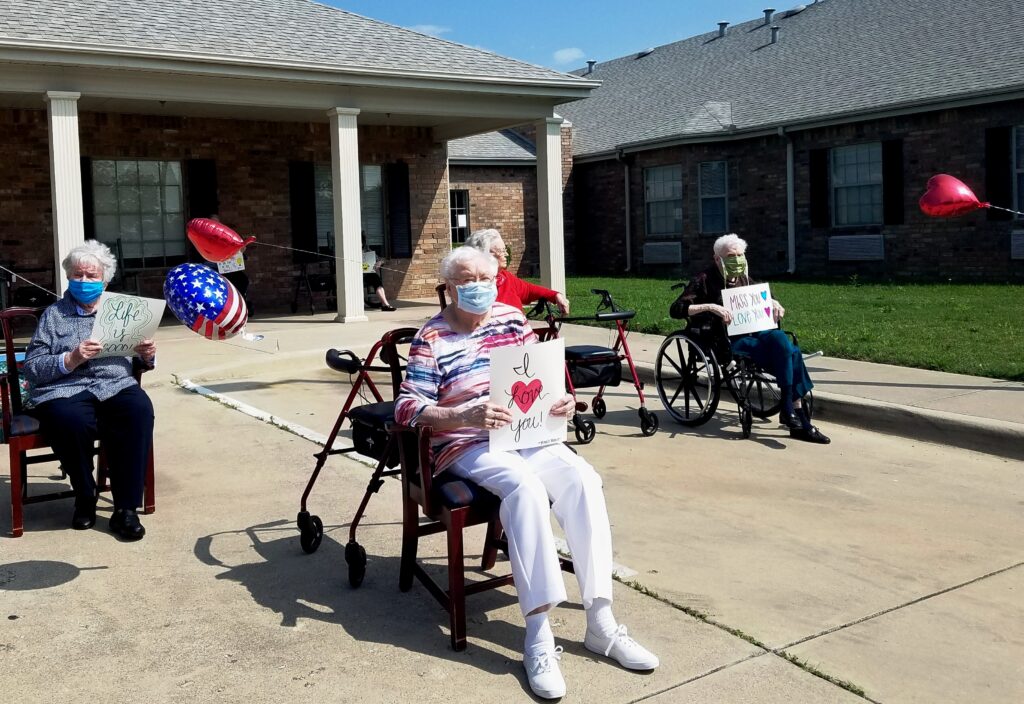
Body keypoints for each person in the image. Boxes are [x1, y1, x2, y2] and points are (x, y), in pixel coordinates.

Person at [394, 246, 658, 699]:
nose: (478, 286)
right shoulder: (431, 337)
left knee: (583, 480)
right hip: (467, 443)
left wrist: (561, 401)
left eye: (486, 278)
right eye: (466, 279)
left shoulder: (510, 322)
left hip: (527, 435)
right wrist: (463, 414)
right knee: (525, 489)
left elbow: (545, 379)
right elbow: (406, 408)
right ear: (449, 287)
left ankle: (601, 621)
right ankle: (537, 635)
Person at [23, 240, 156, 540]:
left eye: (91, 276)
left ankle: (125, 509)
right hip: (65, 388)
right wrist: (71, 358)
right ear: (69, 277)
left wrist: (147, 354)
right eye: (78, 275)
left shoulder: (122, 310)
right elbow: (32, 367)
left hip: (114, 383)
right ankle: (85, 494)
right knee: (69, 420)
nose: (84, 281)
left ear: (104, 279)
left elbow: (141, 360)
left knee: (138, 410)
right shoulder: (54, 315)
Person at [669, 233, 830, 444]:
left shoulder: (745, 278)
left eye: (740, 255)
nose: (736, 260)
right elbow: (676, 309)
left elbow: (762, 297)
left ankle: (789, 409)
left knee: (781, 339)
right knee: (792, 354)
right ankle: (798, 417)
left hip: (758, 331)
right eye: (730, 255)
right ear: (717, 258)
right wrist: (711, 307)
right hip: (728, 340)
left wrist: (775, 303)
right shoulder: (704, 280)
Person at [465, 228, 570, 315]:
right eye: (502, 251)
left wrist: (555, 296)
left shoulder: (505, 277)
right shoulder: (475, 288)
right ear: (486, 254)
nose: (506, 254)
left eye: (505, 249)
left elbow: (528, 290)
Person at [362, 236, 395, 311]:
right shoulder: (349, 251)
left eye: (361, 243)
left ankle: (385, 304)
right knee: (374, 278)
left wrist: (380, 262)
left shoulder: (367, 250)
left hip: (367, 275)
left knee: (376, 279)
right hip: (354, 276)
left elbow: (381, 259)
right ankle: (385, 304)